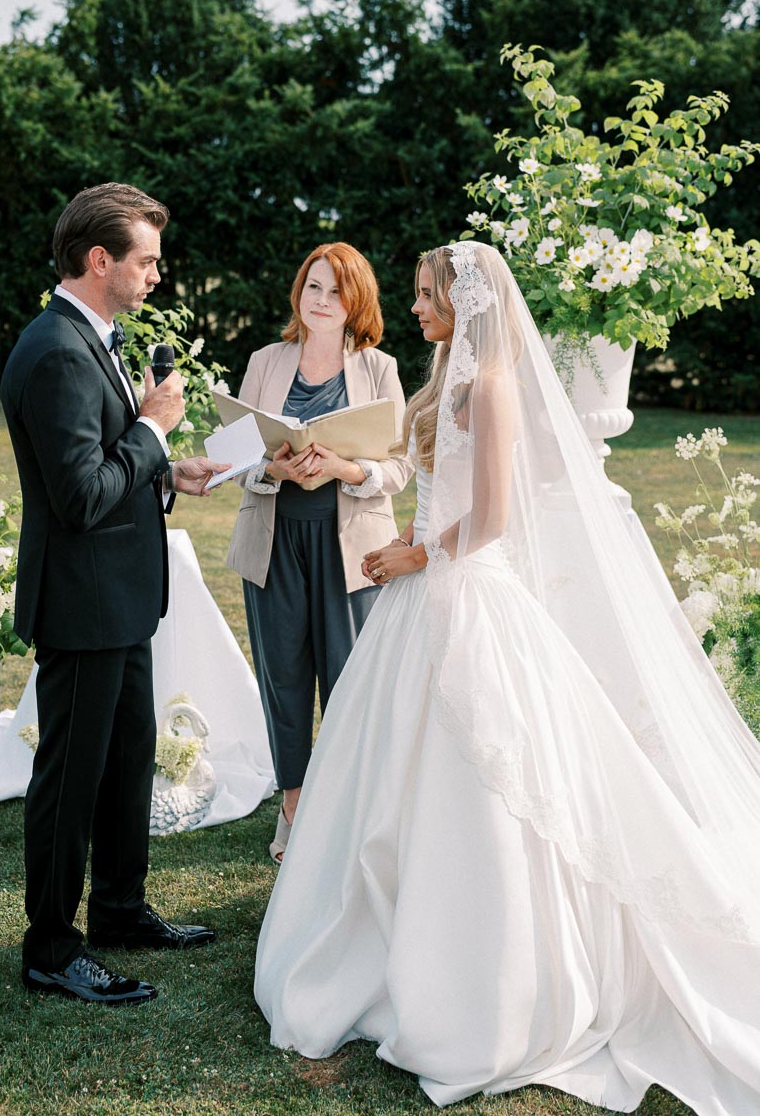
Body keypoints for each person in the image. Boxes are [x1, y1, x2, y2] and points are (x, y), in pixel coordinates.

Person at [255, 241, 760, 1111]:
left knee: (486, 783)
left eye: (425, 295)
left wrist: (419, 550)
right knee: (386, 772)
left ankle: (483, 976)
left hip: (463, 596)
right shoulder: (451, 377)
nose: (414, 308)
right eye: (414, 295)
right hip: (421, 596)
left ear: (468, 301)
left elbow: (490, 517)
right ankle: (384, 933)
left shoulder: (488, 388)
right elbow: (434, 478)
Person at [1, 182, 228, 1007]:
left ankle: (121, 910)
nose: (156, 276)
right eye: (147, 261)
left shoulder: (91, 336)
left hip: (122, 600)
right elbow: (81, 495)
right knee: (71, 781)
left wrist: (169, 467)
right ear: (100, 262)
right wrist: (156, 429)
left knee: (129, 761)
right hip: (84, 604)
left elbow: (110, 461)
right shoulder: (58, 349)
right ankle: (52, 949)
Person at [227, 242, 413, 863]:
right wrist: (272, 471)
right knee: (281, 678)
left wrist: (348, 467)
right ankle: (293, 807)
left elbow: (402, 466)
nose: (322, 301)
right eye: (313, 287)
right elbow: (235, 457)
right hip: (274, 542)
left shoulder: (380, 369)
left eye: (336, 291)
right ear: (299, 294)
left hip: (352, 548)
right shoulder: (265, 361)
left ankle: (345, 809)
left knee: (347, 681)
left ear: (356, 300)